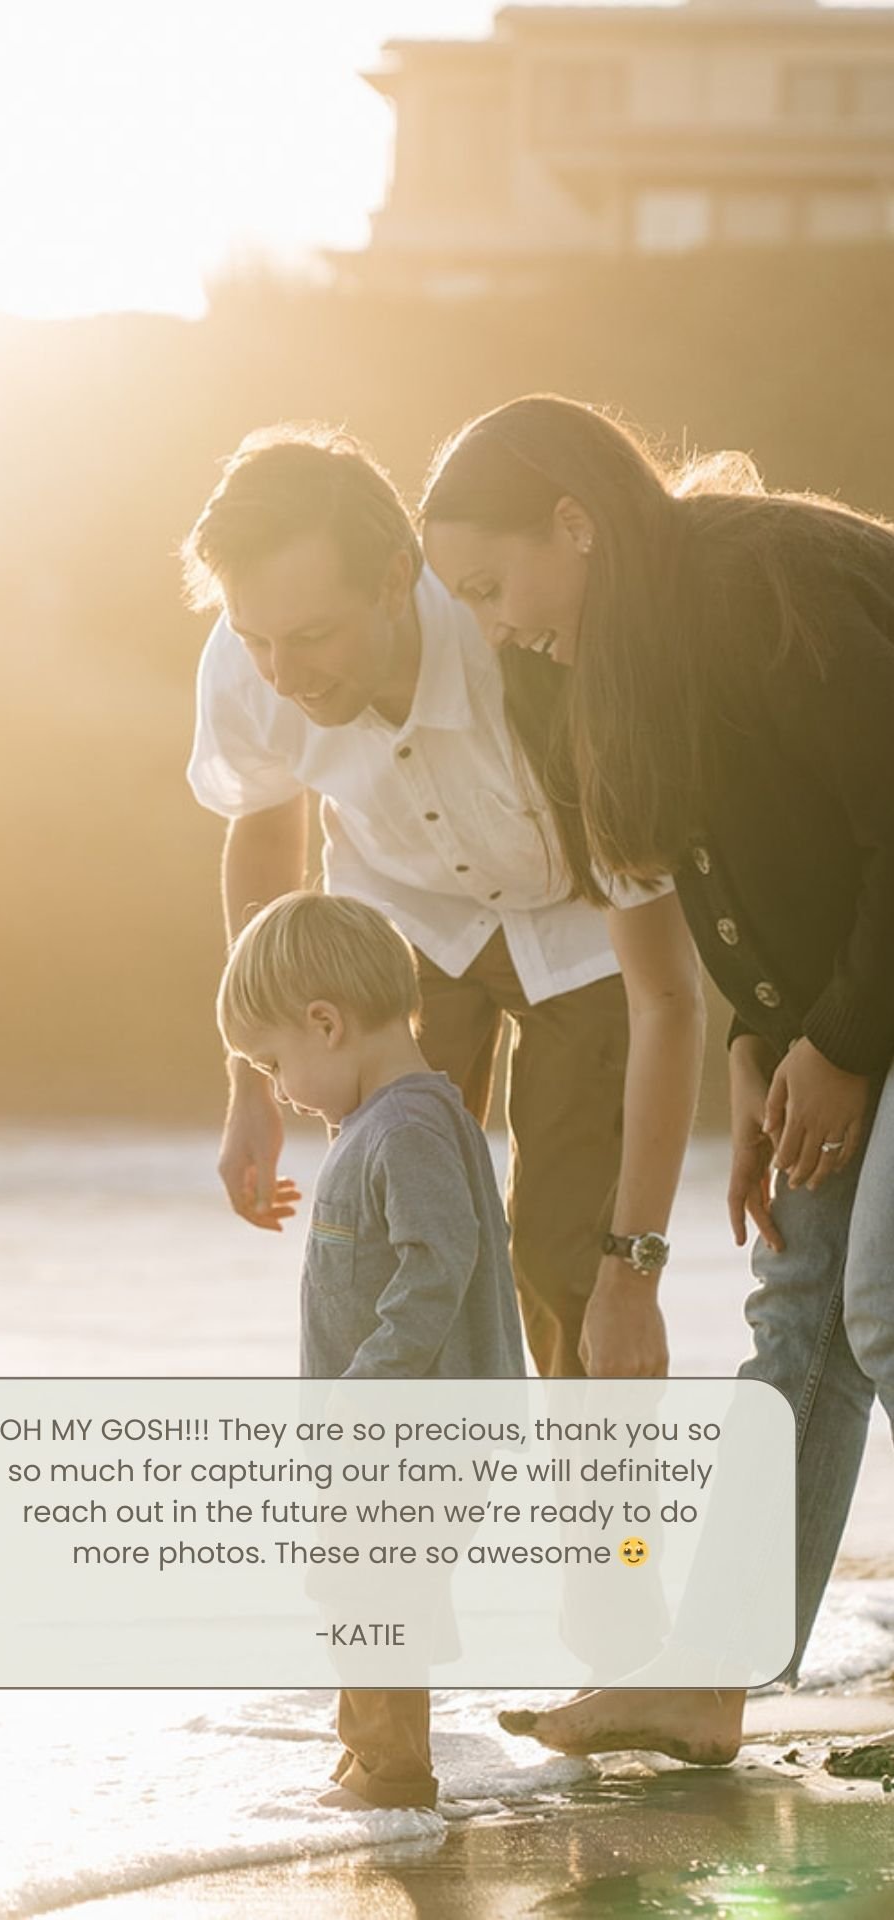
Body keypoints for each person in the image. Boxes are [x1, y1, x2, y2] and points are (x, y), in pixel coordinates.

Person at [420, 392, 894, 1765]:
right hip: (851, 997)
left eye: (497, 584)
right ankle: (708, 1677)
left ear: (575, 523)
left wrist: (845, 1042)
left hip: (877, 998)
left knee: (878, 1290)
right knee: (799, 1301)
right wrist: (766, 1042)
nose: (501, 623)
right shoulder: (628, 654)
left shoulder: (763, 585)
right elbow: (755, 868)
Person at [184, 424, 705, 1383]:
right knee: (376, 1244)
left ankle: (599, 1536)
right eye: (256, 638)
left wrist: (637, 1267)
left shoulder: (526, 637)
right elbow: (266, 829)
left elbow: (668, 993)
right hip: (401, 925)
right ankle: (403, 1523)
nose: (284, 677)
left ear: (394, 579)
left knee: (562, 1260)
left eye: (310, 637)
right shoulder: (246, 666)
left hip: (582, 926)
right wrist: (250, 1078)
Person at [215, 888, 527, 1811]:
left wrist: (369, 1391)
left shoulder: (407, 1127)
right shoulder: (382, 1125)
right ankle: (372, 1752)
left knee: (366, 1581)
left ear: (327, 1022)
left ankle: (392, 1771)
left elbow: (440, 1267)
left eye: (274, 1062)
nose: (275, 1088)